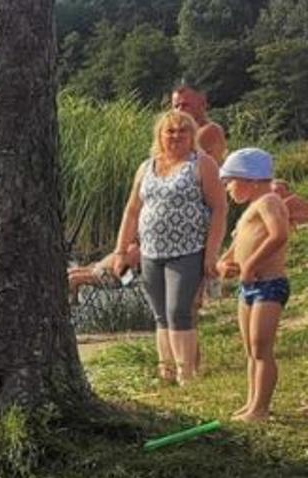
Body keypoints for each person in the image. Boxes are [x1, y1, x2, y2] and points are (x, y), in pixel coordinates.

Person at [114, 110, 227, 385]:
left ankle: (185, 374)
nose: (176, 136)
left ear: (192, 136)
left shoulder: (202, 164)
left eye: (182, 131)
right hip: (151, 252)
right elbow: (132, 211)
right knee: (160, 314)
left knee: (179, 311)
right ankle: (165, 371)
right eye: (170, 131)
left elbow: (220, 208)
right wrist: (120, 251)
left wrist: (211, 252)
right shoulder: (146, 167)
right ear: (160, 136)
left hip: (187, 250)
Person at [216, 149, 292, 422]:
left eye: (230, 182)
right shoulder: (249, 211)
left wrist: (250, 265)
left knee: (262, 348)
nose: (227, 189)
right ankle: (251, 403)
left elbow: (279, 234)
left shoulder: (269, 200)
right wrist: (224, 264)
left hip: (269, 285)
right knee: (251, 350)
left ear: (251, 179)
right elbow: (232, 251)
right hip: (248, 288)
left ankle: (261, 408)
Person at [172, 83, 228, 166]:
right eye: (176, 106)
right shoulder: (182, 134)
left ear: (203, 104)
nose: (180, 110)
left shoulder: (210, 130)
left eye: (185, 105)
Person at [67, 241, 141, 300]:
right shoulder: (132, 245)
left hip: (107, 275)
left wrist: (114, 275)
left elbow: (126, 272)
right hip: (101, 268)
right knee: (71, 271)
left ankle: (72, 304)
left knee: (74, 278)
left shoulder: (136, 250)